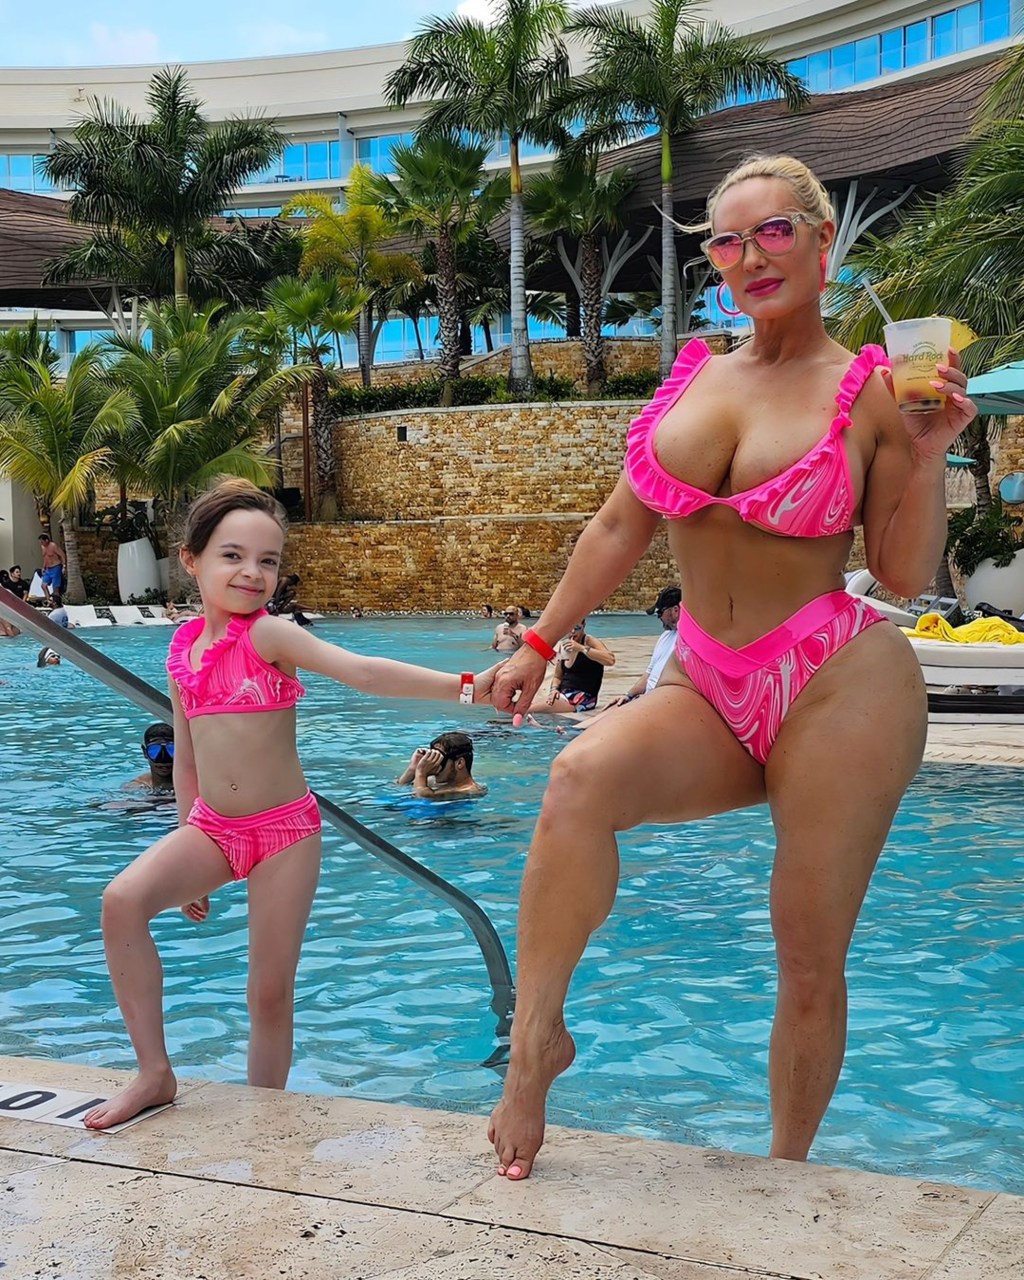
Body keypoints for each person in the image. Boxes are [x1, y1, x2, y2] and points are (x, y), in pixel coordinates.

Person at [487, 153, 976, 1180]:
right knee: (578, 780)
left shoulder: (874, 391)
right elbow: (619, 525)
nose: (748, 256)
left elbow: (899, 570)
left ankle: (784, 1171)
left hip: (836, 677)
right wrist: (540, 641)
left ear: (820, 242)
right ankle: (535, 1041)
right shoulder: (695, 372)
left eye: (772, 232)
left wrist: (930, 455)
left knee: (805, 950)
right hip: (704, 675)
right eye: (725, 239)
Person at [83, 478, 499, 1131]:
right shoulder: (182, 648)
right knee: (121, 902)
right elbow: (187, 758)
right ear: (190, 558)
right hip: (213, 830)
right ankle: (154, 1074)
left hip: (283, 835)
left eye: (268, 560)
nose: (252, 572)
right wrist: (184, 837)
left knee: (267, 993)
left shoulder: (270, 637)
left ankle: (265, 1117)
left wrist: (470, 687)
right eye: (232, 555)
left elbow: (362, 672)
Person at [529, 619, 615, 713]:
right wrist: (554, 690)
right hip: (563, 694)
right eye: (570, 628)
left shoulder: (589, 641)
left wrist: (581, 648)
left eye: (577, 628)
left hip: (582, 698)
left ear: (583, 626)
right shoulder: (565, 645)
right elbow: (558, 676)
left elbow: (610, 660)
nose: (573, 632)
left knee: (529, 710)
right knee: (526, 705)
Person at [395, 731, 487, 799]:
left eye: (441, 759)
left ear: (459, 763)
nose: (435, 765)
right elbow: (398, 787)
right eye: (434, 757)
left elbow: (421, 799)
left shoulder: (470, 791)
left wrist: (421, 773)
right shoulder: (434, 781)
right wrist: (412, 769)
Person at [127, 723, 176, 795]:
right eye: (155, 751)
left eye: (170, 750)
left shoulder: (191, 782)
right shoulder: (136, 787)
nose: (163, 759)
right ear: (145, 752)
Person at [37, 533, 66, 600]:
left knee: (55, 588)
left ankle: (57, 601)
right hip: (48, 568)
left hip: (55, 567)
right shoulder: (42, 547)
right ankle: (48, 600)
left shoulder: (53, 546)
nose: (41, 543)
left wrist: (64, 566)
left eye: (42, 542)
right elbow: (45, 558)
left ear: (46, 540)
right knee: (43, 585)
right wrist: (43, 567)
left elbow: (62, 555)